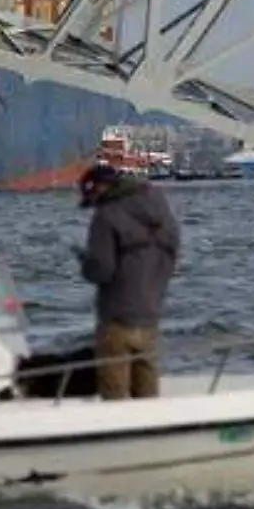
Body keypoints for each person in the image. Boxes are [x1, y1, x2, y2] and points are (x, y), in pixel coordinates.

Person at [74, 162, 180, 400]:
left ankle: (117, 435)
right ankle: (152, 435)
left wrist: (85, 263)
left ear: (100, 188)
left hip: (117, 320)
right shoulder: (162, 210)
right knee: (147, 393)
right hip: (150, 315)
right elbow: (171, 259)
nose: (94, 206)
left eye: (93, 199)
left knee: (115, 396)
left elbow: (101, 271)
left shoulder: (106, 215)